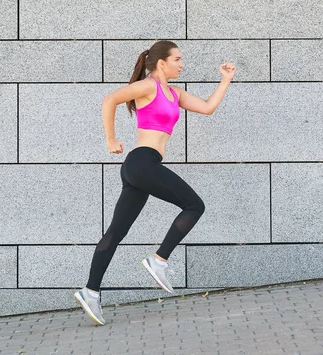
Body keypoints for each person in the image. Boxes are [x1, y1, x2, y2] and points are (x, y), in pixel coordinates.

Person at [74, 40, 236, 325]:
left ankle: (91, 292)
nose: (181, 64)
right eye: (177, 59)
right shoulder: (149, 86)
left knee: (115, 233)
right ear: (161, 62)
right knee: (194, 205)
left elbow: (208, 108)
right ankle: (159, 260)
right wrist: (110, 139)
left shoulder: (175, 93)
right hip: (141, 162)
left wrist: (225, 80)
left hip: (143, 168)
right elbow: (110, 99)